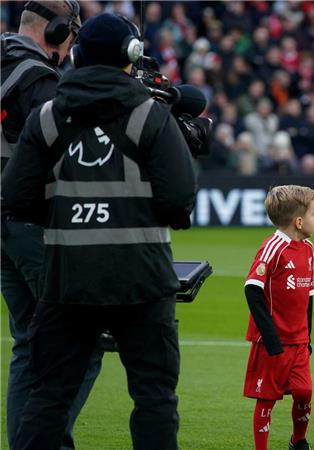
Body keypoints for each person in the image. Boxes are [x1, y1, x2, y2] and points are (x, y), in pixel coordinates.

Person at [2, 13, 196, 450]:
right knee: (154, 399)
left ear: (79, 53)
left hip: (66, 279)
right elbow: (179, 199)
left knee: (49, 395)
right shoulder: (150, 115)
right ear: (131, 56)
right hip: (143, 280)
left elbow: (16, 197)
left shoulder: (48, 116)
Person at [0, 3, 102, 449]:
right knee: (82, 337)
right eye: (72, 38)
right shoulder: (35, 77)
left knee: (29, 342)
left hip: (6, 224)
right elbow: (65, 145)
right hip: (33, 223)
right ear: (59, 30)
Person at [243, 185, 314, 450]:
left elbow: (309, 294)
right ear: (298, 221)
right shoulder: (273, 247)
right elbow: (252, 289)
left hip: (298, 340)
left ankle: (298, 440)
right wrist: (271, 338)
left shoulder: (308, 248)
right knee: (267, 398)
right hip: (271, 342)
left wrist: (307, 334)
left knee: (304, 392)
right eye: (312, 214)